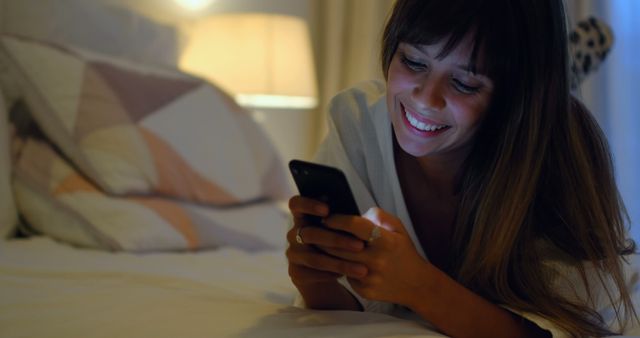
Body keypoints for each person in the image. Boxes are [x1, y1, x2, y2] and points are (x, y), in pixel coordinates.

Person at [285, 0, 637, 337]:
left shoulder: (560, 160)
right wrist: (316, 280)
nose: (425, 98)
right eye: (413, 62)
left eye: (464, 83)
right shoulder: (356, 124)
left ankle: (562, 76)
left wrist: (421, 285)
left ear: (513, 97)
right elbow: (352, 311)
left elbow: (562, 327)